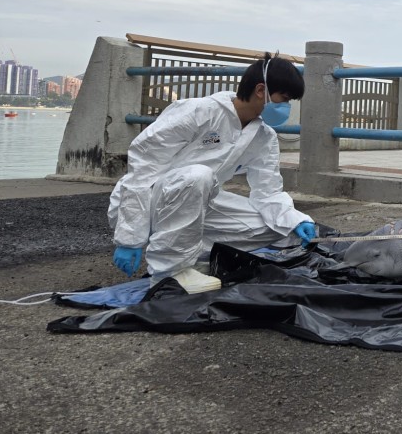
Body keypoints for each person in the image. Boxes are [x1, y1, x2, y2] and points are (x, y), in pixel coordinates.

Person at [109, 53, 318, 294]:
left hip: (198, 200)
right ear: (261, 90)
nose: (286, 107)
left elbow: (268, 191)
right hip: (153, 202)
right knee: (199, 175)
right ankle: (170, 274)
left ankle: (191, 254)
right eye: (284, 99)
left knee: (278, 229)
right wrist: (129, 236)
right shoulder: (199, 112)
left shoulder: (264, 136)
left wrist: (295, 219)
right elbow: (143, 170)